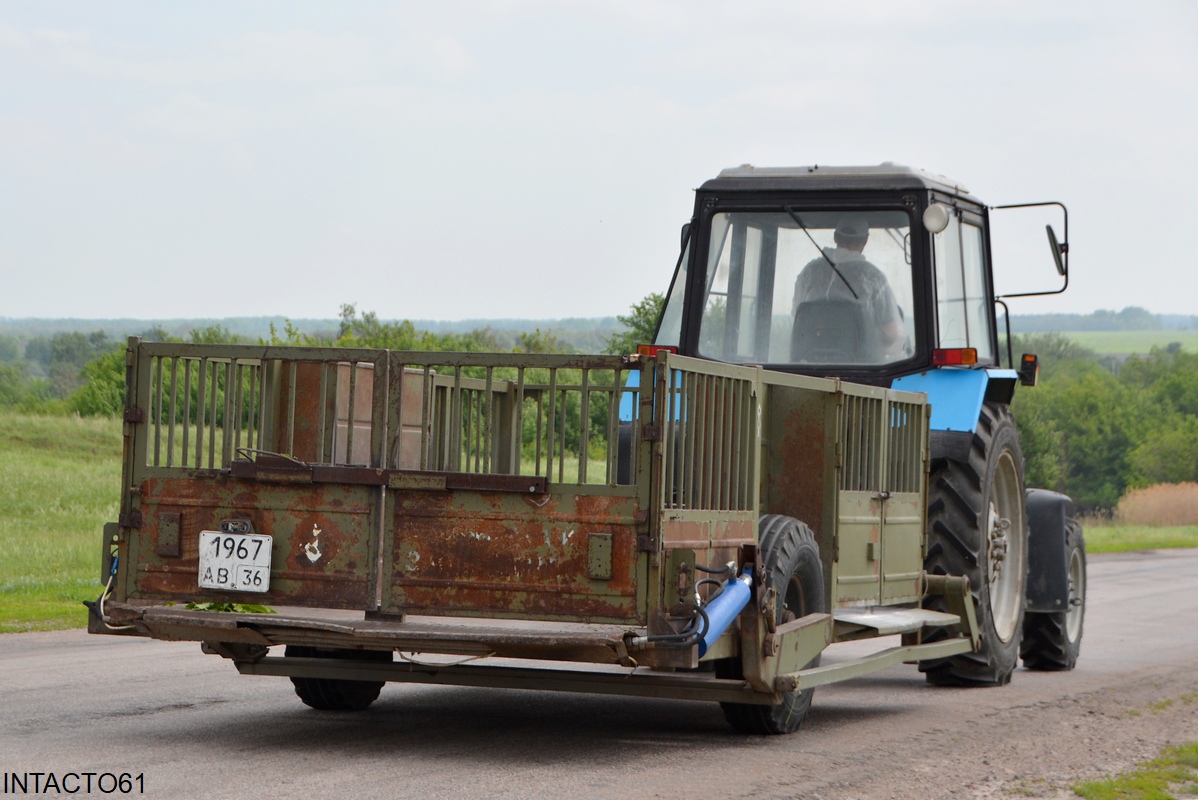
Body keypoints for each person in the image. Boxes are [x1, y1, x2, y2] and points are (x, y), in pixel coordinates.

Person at [791, 218, 905, 363]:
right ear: (865, 241)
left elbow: (798, 316)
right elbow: (892, 336)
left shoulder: (809, 273)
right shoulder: (874, 278)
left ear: (835, 237)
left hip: (808, 365)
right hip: (864, 369)